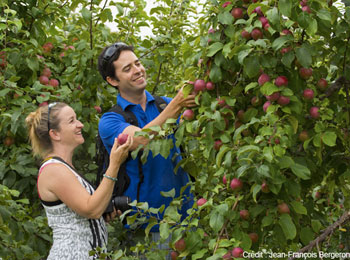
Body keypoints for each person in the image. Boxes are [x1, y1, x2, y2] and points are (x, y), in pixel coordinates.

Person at [97, 42, 197, 251]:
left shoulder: (164, 105)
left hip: (190, 218)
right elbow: (140, 139)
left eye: (137, 63)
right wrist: (177, 105)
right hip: (147, 226)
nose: (137, 70)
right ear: (112, 80)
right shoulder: (110, 120)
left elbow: (199, 131)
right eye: (127, 68)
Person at [25, 102, 133, 260]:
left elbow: (87, 212)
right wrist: (114, 164)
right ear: (55, 134)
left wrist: (103, 214)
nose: (80, 125)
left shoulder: (65, 168)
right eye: (72, 121)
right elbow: (91, 209)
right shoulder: (54, 170)